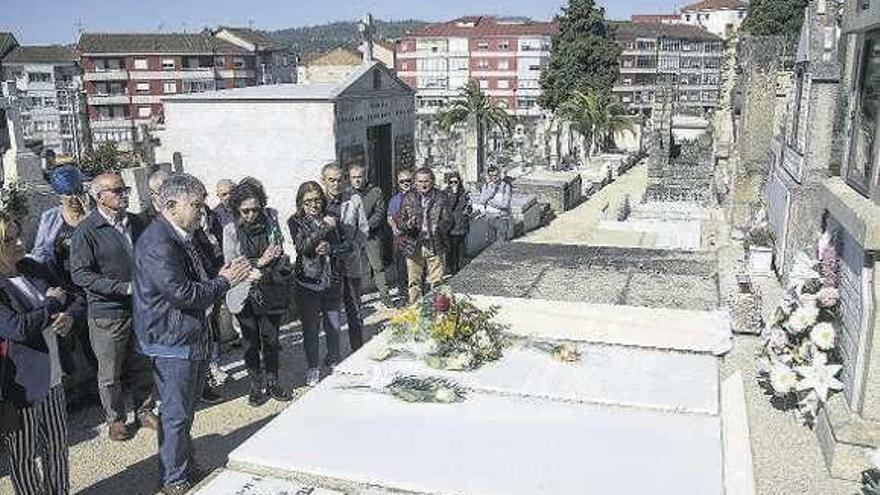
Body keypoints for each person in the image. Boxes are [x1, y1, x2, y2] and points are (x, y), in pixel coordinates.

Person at [132, 173, 251, 495]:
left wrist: (221, 276)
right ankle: (173, 480)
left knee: (184, 413)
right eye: (196, 204)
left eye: (202, 203)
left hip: (187, 336)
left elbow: (197, 279)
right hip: (172, 341)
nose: (202, 210)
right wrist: (225, 281)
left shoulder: (181, 234)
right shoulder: (158, 241)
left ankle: (183, 466)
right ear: (171, 205)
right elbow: (183, 293)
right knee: (174, 414)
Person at [0, 211, 83, 495]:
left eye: (18, 234)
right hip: (19, 385)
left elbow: (73, 297)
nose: (20, 242)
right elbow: (17, 328)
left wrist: (69, 316)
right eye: (9, 239)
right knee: (23, 456)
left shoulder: (32, 268)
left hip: (53, 375)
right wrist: (49, 306)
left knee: (58, 446)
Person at [70, 173, 156, 442]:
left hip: (140, 308)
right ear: (99, 196)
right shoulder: (87, 230)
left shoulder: (138, 222)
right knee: (110, 372)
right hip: (108, 313)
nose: (123, 194)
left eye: (124, 189)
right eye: (116, 190)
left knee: (143, 362)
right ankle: (115, 420)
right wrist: (122, 288)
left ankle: (145, 410)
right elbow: (81, 275)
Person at [223, 180, 292, 406]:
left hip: (270, 288)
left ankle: (272, 381)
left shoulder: (271, 222)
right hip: (243, 293)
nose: (251, 214)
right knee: (250, 341)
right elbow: (232, 265)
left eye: (255, 209)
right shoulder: (231, 230)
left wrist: (275, 255)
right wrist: (261, 261)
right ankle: (254, 384)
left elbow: (278, 251)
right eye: (246, 210)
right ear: (236, 209)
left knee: (271, 339)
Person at [30, 166, 97, 378]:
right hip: (64, 287)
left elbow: (105, 244)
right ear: (59, 195)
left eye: (78, 191)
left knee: (93, 339)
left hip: (92, 287)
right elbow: (40, 252)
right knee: (60, 330)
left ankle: (104, 383)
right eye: (68, 194)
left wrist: (88, 218)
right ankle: (73, 383)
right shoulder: (51, 217)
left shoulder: (94, 214)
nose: (75, 198)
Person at [287, 181, 346, 387]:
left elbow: (345, 245)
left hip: (332, 281)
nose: (314, 205)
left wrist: (332, 248)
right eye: (308, 201)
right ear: (301, 203)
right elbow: (303, 246)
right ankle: (313, 367)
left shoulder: (332, 217)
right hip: (308, 285)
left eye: (317, 200)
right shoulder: (294, 221)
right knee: (311, 329)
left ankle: (334, 359)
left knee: (334, 326)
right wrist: (323, 228)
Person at [320, 163, 368, 354]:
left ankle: (358, 351)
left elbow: (363, 229)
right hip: (328, 267)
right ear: (323, 180)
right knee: (331, 313)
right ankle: (334, 355)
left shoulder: (354, 199)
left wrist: (354, 246)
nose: (336, 184)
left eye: (339, 180)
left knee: (355, 311)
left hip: (351, 264)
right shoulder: (318, 203)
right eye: (331, 180)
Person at [397, 168, 453, 303]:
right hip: (414, 243)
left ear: (432, 181)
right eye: (420, 181)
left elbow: (449, 221)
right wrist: (408, 225)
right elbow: (400, 222)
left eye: (426, 181)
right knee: (414, 282)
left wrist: (438, 228)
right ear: (415, 182)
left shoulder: (441, 197)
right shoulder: (408, 197)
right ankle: (416, 312)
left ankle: (438, 311)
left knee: (437, 281)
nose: (423, 184)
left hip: (435, 243)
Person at [348, 164, 392, 308]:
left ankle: (385, 296)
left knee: (378, 266)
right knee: (355, 269)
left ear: (364, 176)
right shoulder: (347, 194)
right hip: (353, 237)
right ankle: (356, 300)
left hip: (371, 235)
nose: (357, 180)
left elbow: (380, 212)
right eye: (353, 178)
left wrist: (365, 227)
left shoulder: (375, 191)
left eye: (359, 177)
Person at [387, 169, 413, 303]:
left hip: (414, 238)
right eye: (402, 181)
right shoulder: (394, 199)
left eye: (408, 180)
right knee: (401, 267)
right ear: (398, 183)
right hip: (400, 239)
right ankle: (403, 294)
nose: (406, 183)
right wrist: (394, 228)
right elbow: (390, 217)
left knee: (415, 267)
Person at [477, 166, 513, 243]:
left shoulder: (506, 186)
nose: (494, 178)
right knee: (490, 246)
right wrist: (492, 191)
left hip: (501, 218)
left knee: (501, 244)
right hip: (489, 218)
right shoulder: (486, 186)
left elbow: (505, 205)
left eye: (495, 175)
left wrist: (490, 202)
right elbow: (482, 201)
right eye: (491, 176)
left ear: (499, 175)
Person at [444, 172, 471, 275]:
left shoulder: (463, 193)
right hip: (451, 227)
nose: (454, 184)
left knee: (460, 250)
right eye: (451, 182)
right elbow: (448, 208)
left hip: (462, 226)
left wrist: (468, 209)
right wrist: (454, 194)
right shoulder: (445, 194)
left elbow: (468, 207)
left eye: (456, 182)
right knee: (451, 250)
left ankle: (458, 269)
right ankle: (451, 269)